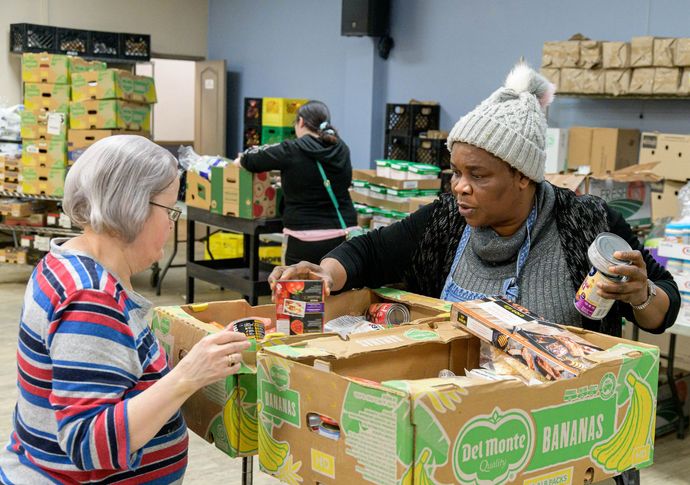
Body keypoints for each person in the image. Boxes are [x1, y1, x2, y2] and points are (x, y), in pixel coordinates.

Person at [269, 64, 680, 485]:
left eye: (477, 175)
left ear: (523, 176)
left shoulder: (585, 224)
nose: (460, 187)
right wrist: (325, 272)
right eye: (456, 173)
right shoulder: (446, 222)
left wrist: (641, 294)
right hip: (468, 442)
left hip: (568, 446)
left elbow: (662, 307)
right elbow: (370, 251)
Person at [0, 136, 249, 484]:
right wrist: (186, 377)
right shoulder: (90, 297)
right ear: (132, 206)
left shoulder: (67, 263)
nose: (172, 224)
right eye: (169, 210)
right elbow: (89, 443)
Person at [236, 100, 357, 265]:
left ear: (300, 121)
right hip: (344, 236)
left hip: (304, 239)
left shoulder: (291, 149)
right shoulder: (342, 148)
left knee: (302, 289)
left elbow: (251, 159)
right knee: (338, 290)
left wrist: (241, 160)